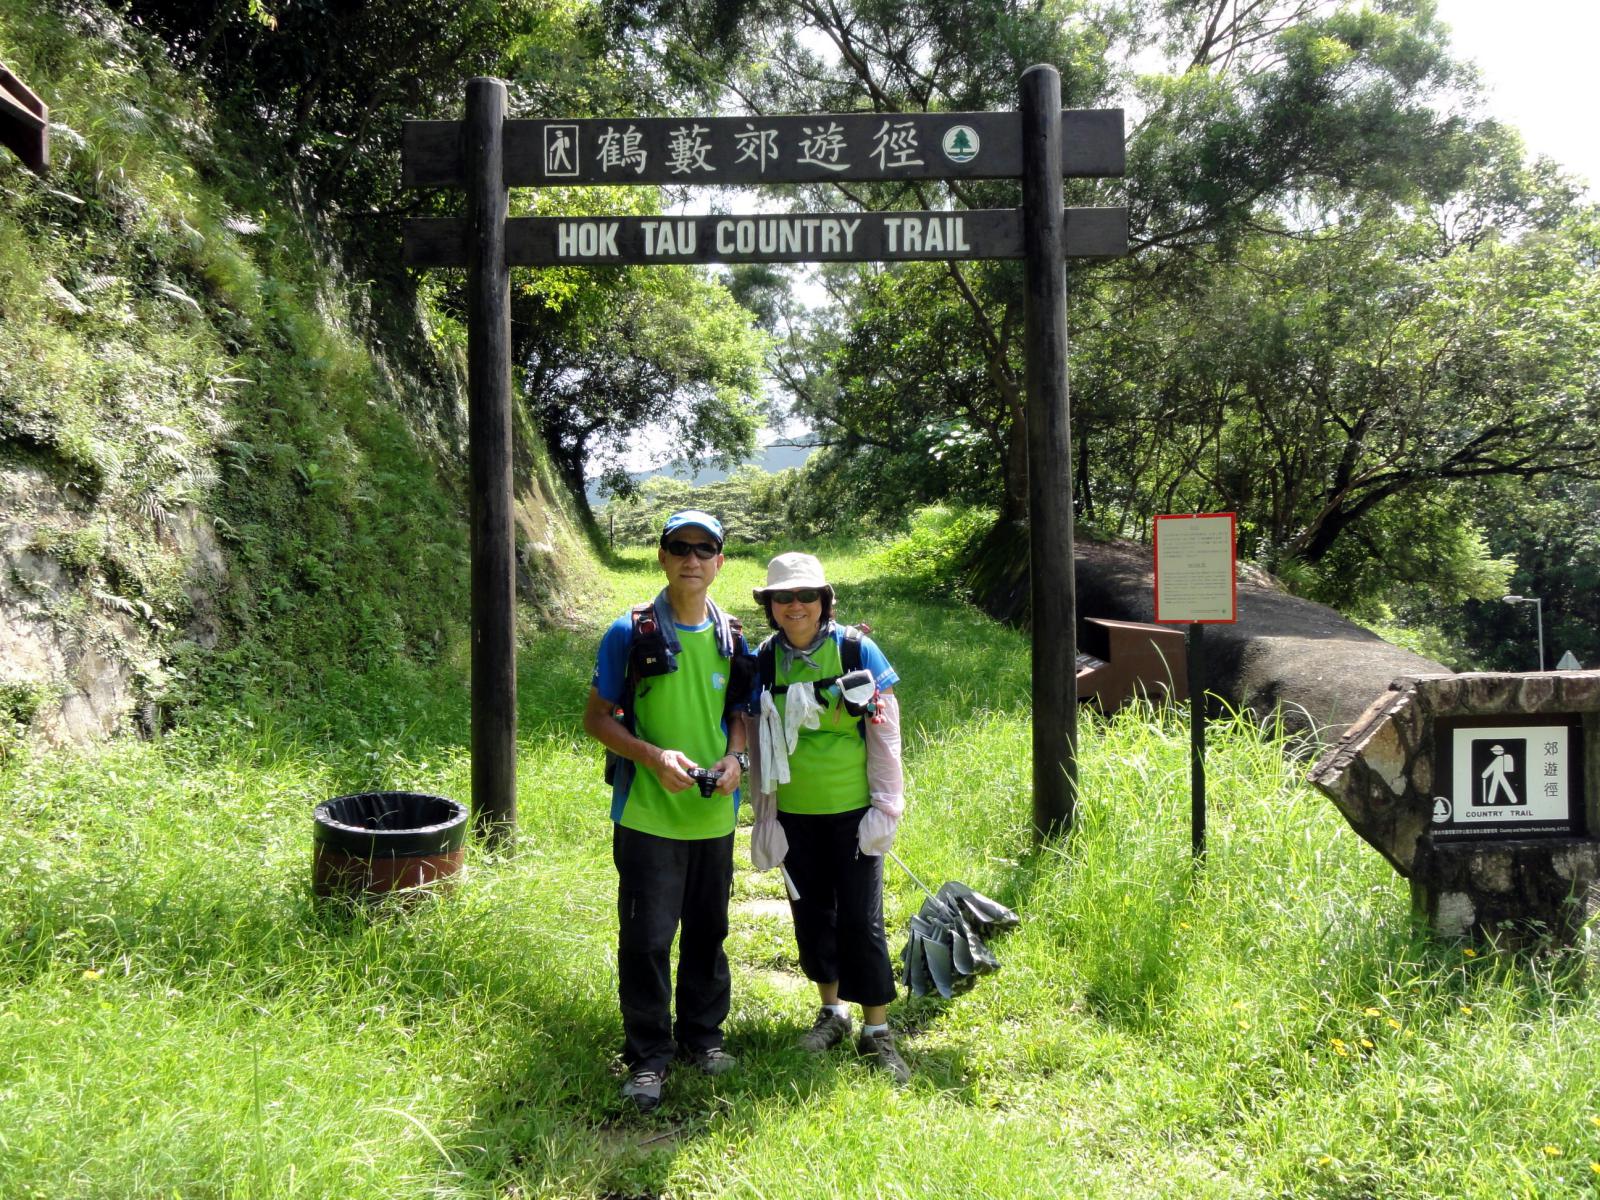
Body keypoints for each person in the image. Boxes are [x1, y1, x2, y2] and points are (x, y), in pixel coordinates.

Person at [583, 510, 752, 1113]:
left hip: (713, 816)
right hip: (647, 815)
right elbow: (596, 718)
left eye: (705, 549)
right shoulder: (629, 633)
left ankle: (703, 1039)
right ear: (662, 557)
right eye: (680, 547)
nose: (692, 559)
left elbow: (740, 712)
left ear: (720, 563)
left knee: (709, 932)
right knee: (647, 940)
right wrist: (654, 757)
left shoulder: (733, 636)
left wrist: (736, 760)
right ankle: (648, 1057)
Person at [748, 552, 910, 1084]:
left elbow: (885, 733)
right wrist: (764, 815)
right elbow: (756, 737)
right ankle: (832, 1012)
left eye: (806, 595)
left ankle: (877, 1029)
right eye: (783, 597)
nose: (795, 606)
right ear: (770, 605)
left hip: (854, 812)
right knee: (812, 915)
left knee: (861, 918)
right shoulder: (764, 659)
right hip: (794, 814)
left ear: (824, 600)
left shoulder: (855, 649)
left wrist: (886, 806)